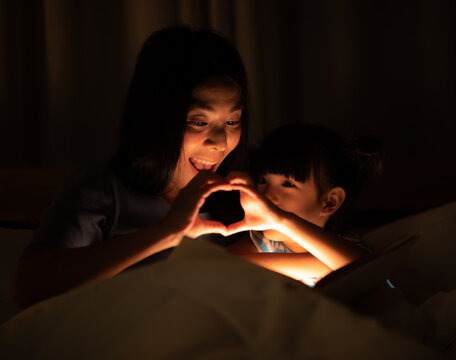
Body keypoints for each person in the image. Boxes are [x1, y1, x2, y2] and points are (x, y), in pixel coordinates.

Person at [12, 26, 250, 308]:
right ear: (156, 119)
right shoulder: (102, 192)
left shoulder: (234, 205)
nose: (221, 143)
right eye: (199, 122)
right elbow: (30, 290)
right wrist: (168, 231)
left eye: (232, 122)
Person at [225, 124, 382, 285]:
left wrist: (283, 220)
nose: (266, 195)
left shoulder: (349, 247)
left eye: (287, 184)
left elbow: (368, 269)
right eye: (262, 181)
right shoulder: (258, 243)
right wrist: (325, 268)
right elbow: (225, 264)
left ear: (330, 202)